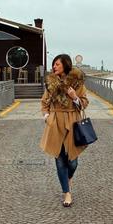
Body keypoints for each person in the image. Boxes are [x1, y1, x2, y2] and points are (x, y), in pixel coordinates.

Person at [40, 54, 89, 207]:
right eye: (53, 64)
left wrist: (75, 97)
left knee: (72, 162)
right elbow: (44, 102)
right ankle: (66, 193)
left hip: (73, 121)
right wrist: (47, 116)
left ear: (66, 65)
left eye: (57, 64)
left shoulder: (77, 83)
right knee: (60, 159)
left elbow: (84, 103)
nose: (54, 67)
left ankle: (68, 178)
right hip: (55, 123)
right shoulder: (51, 83)